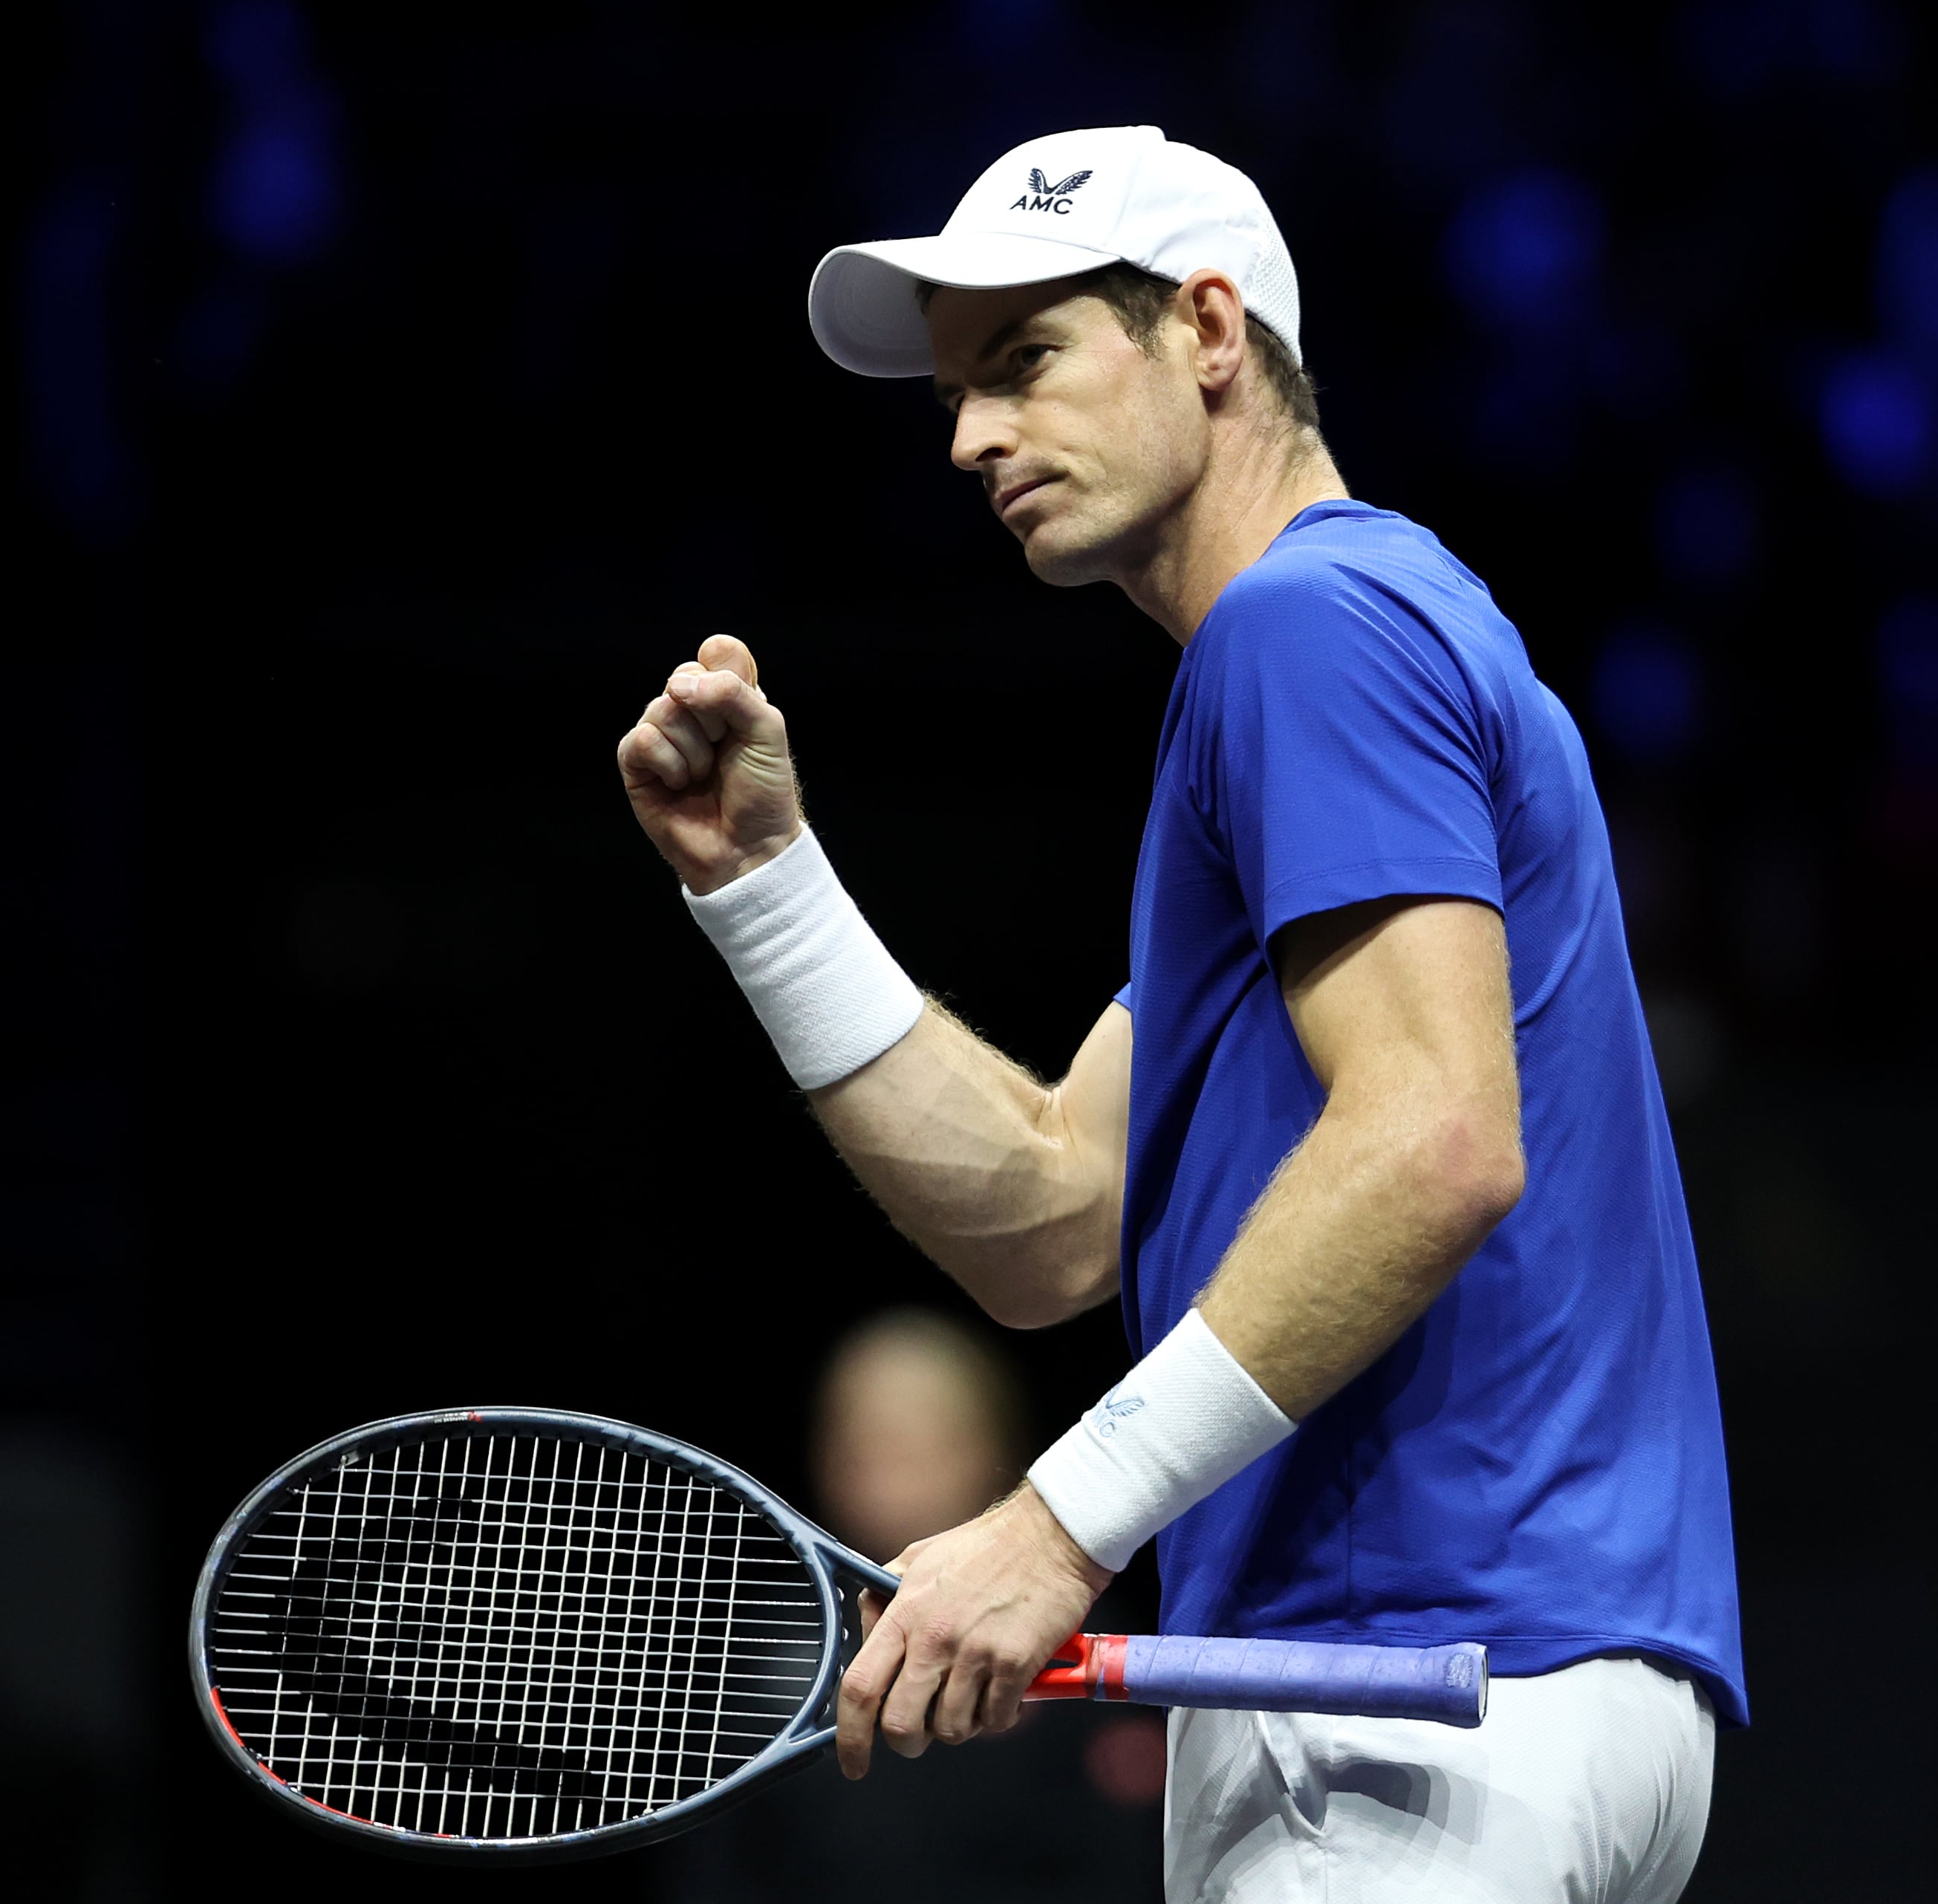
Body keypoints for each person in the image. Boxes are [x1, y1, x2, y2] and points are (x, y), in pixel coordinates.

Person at [616, 124, 1745, 1903]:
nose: (970, 433)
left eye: (1025, 358)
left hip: (1407, 1688)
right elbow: (1058, 1212)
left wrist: (1051, 1524)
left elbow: (1436, 1140)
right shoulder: (1344, 653)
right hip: (1463, 1691)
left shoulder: (1305, 628)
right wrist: (765, 889)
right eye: (953, 393)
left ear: (1207, 331)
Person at [648, 1310, 1169, 1904]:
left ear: (996, 1452)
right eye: (860, 1446)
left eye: (914, 1444)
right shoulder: (759, 1661)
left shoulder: (1079, 1648)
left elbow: (1128, 1869)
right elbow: (714, 1874)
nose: (883, 1475)